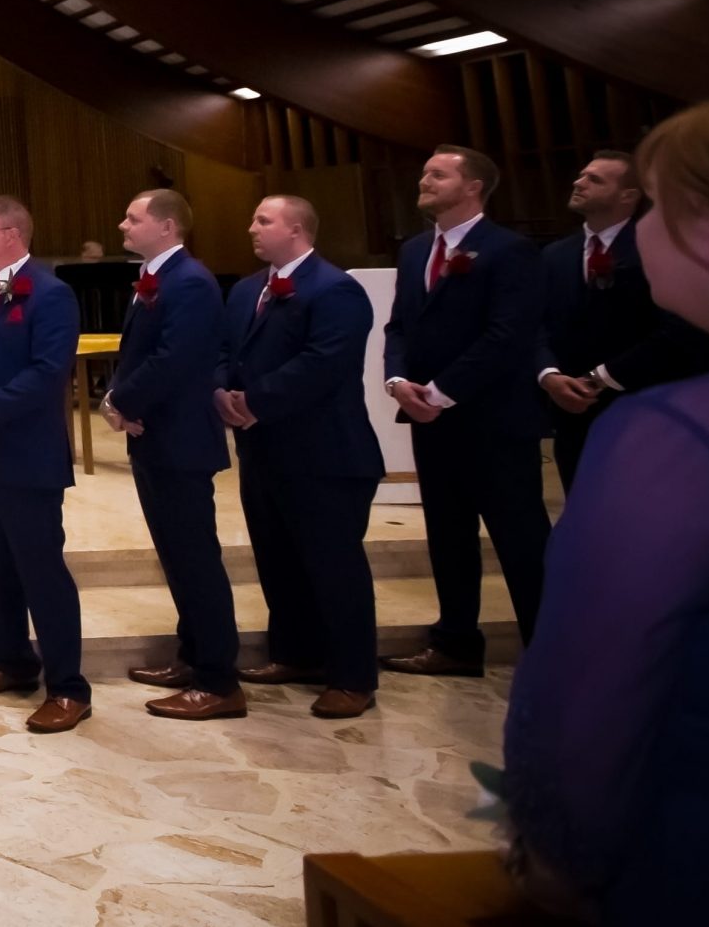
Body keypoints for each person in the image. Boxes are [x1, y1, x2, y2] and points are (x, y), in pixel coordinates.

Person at [503, 81, 709, 927]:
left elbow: (592, 688)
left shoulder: (680, 439)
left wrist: (555, 848)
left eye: (656, 206)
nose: (639, 235)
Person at [380, 146, 548, 677]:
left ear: (473, 186)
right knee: (448, 535)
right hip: (431, 420)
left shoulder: (509, 250)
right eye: (425, 171)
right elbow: (399, 326)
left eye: (438, 174)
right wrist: (398, 380)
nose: (424, 180)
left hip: (494, 419)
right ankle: (455, 642)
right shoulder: (413, 251)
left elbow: (507, 335)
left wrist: (441, 391)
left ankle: (550, 654)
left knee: (520, 541)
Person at [215, 197, 383, 718]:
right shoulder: (246, 290)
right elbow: (224, 350)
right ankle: (295, 653)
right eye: (254, 217)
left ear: (298, 229)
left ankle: (353, 676)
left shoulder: (336, 290)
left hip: (324, 453)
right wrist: (222, 391)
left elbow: (324, 363)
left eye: (263, 220)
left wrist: (255, 401)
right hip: (263, 448)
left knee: (334, 566)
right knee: (276, 555)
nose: (252, 228)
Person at [0, 196, 89, 733]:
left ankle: (69, 687)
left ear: (12, 234)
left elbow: (48, 371)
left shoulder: (51, 294)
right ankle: (11, 660)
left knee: (41, 570)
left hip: (27, 453)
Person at [101, 190, 239, 720]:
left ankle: (219, 681)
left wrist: (121, 400)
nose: (123, 225)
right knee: (176, 556)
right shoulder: (157, 279)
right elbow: (134, 352)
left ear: (167, 226)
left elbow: (175, 359)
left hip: (180, 438)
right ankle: (192, 654)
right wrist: (119, 398)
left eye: (133, 218)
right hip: (155, 434)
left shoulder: (191, 282)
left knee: (196, 559)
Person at [535, 149, 709, 493]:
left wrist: (602, 377)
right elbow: (536, 325)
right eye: (581, 175)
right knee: (586, 514)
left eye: (595, 179)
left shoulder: (664, 247)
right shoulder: (555, 255)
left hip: (646, 408)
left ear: (628, 195)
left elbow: (682, 330)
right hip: (572, 413)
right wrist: (549, 376)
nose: (579, 183)